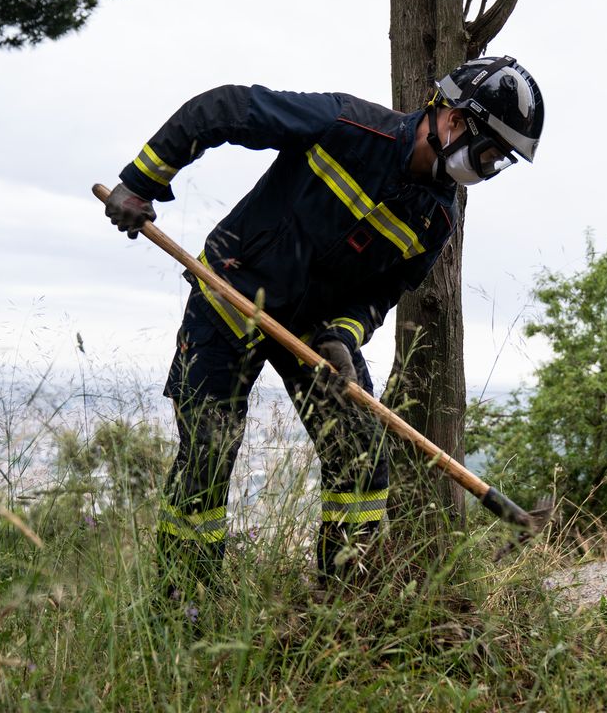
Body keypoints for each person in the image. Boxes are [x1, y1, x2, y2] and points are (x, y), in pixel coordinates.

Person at [103, 56, 544, 594]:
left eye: (500, 162)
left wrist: (343, 334)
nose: (490, 167)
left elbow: (381, 294)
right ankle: (183, 610)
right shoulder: (346, 126)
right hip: (231, 294)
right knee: (207, 455)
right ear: (454, 119)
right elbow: (222, 109)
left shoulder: (438, 219)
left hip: (311, 327)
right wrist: (141, 180)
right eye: (492, 152)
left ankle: (339, 607)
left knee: (362, 461)